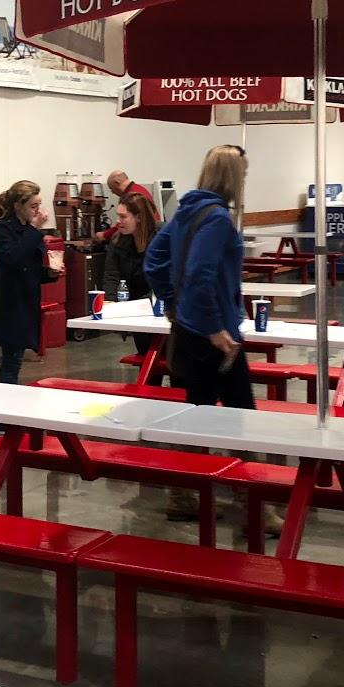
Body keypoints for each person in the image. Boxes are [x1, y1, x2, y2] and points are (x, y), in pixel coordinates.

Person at [146, 145, 252, 523]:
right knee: (243, 417)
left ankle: (184, 494)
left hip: (188, 330)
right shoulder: (218, 219)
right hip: (215, 334)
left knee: (197, 410)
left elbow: (154, 262)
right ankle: (252, 503)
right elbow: (201, 273)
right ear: (233, 177)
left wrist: (175, 304)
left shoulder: (186, 211)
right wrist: (214, 328)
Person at [0, 180, 58, 385]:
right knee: (11, 360)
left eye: (39, 205)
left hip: (26, 299)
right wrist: (35, 229)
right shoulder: (2, 230)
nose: (38, 211)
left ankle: (9, 402)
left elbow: (30, 266)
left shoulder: (30, 232)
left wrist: (50, 273)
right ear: (17, 206)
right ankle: (6, 406)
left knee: (15, 359)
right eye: (33, 206)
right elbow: (13, 258)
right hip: (9, 302)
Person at [103, 191, 161, 355]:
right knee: (145, 358)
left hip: (162, 308)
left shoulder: (161, 237)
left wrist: (140, 304)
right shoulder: (118, 239)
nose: (118, 221)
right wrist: (110, 303)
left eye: (123, 217)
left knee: (171, 365)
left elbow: (166, 279)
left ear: (139, 217)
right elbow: (111, 275)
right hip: (136, 311)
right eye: (117, 216)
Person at [94, 171, 156, 243]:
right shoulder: (140, 189)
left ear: (117, 183)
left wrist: (105, 235)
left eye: (111, 188)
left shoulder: (131, 197)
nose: (112, 192)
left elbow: (124, 224)